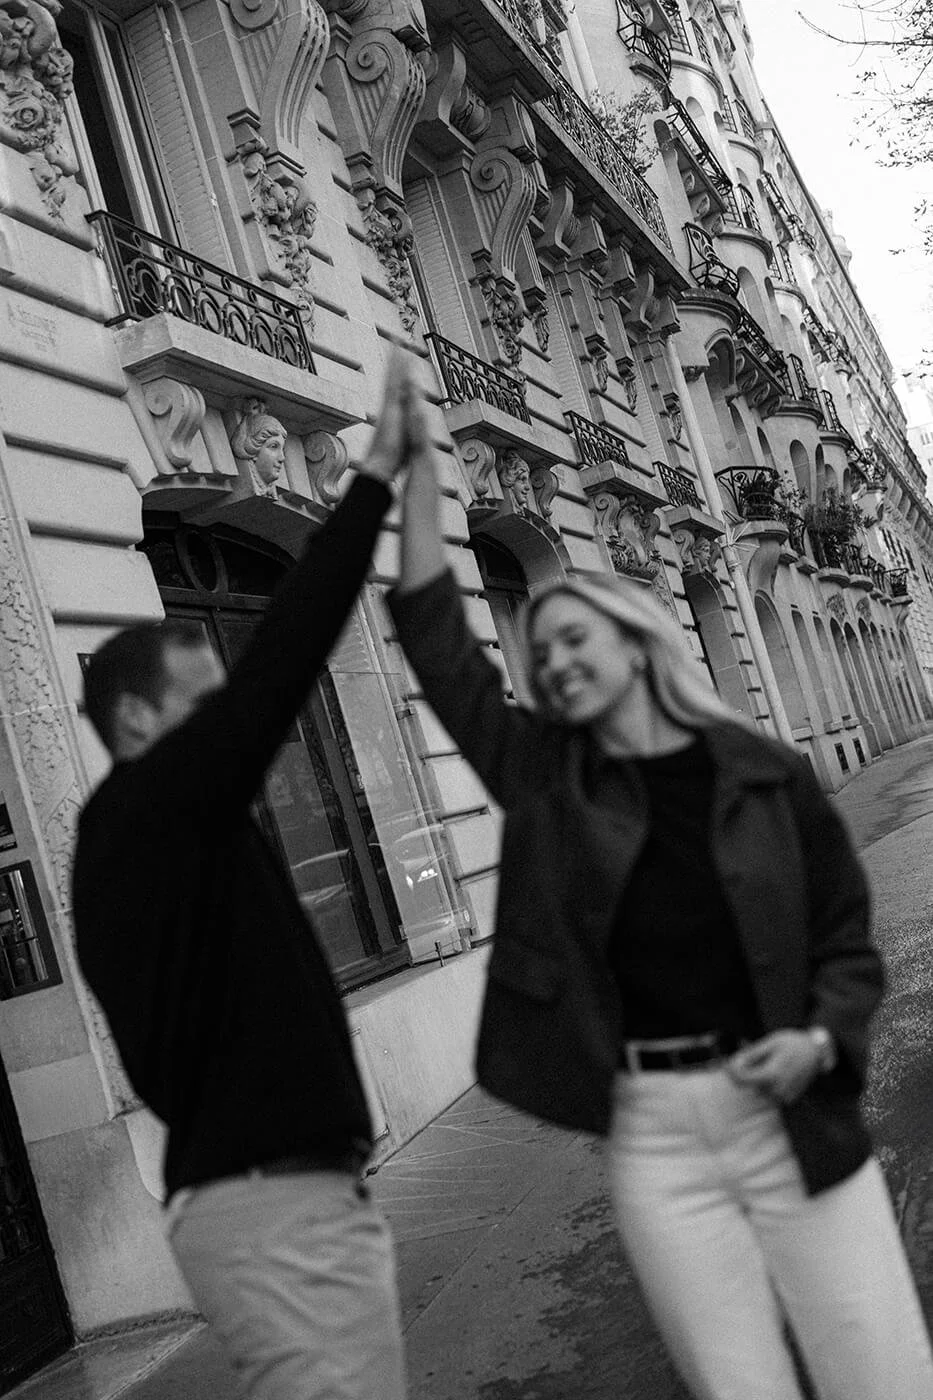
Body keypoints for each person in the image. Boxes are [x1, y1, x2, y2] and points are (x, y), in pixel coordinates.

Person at [387, 368, 933, 1400]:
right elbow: (440, 646)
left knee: (883, 1371)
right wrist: (419, 475)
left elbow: (846, 941)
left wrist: (822, 1035)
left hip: (793, 1108)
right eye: (538, 654)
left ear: (636, 642)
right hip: (656, 1131)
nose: (551, 665)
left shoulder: (760, 770)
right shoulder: (552, 781)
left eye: (571, 638)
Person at [72, 353, 413, 1400]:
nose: (232, 717)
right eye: (203, 700)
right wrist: (373, 483)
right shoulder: (148, 811)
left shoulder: (159, 832)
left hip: (278, 1203)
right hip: (276, 1214)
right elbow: (285, 659)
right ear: (138, 720)